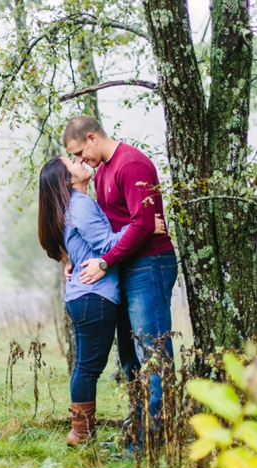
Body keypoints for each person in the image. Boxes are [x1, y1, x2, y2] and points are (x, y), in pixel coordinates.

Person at [62, 115, 177, 446]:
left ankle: (155, 441)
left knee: (152, 352)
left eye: (80, 152)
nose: (80, 160)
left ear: (93, 138)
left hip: (149, 266)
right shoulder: (104, 173)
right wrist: (77, 258)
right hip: (127, 268)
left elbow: (142, 225)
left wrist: (104, 262)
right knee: (131, 358)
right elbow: (106, 230)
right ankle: (138, 432)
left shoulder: (132, 164)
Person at [37, 155, 166, 446]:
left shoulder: (74, 207)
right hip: (93, 297)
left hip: (83, 297)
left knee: (86, 365)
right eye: (70, 162)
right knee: (88, 367)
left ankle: (83, 433)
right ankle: (80, 434)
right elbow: (108, 244)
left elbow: (89, 245)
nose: (77, 161)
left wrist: (74, 261)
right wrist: (145, 227)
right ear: (66, 180)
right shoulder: (80, 205)